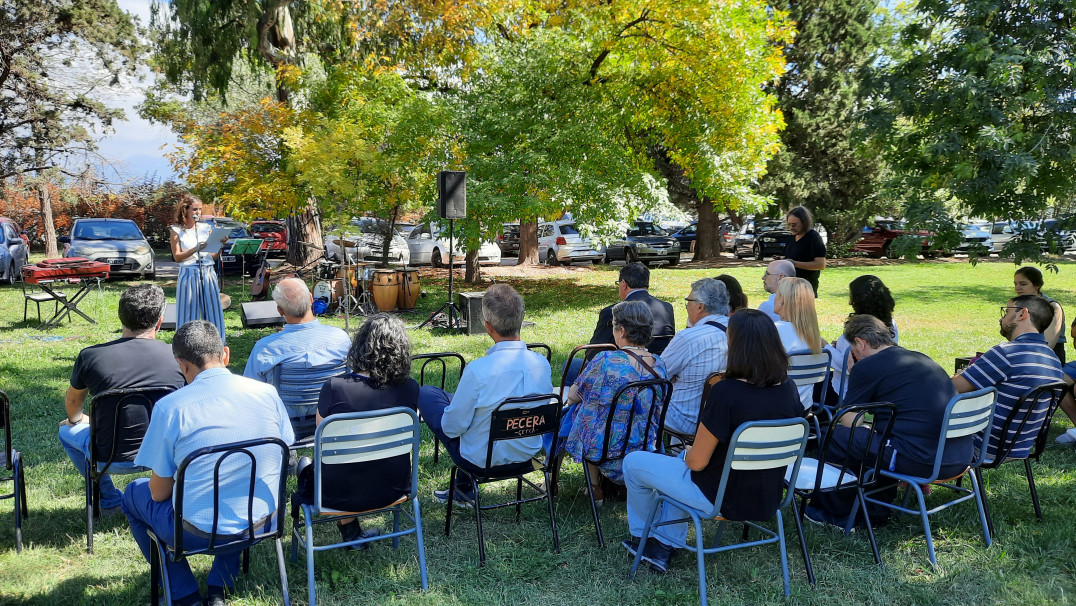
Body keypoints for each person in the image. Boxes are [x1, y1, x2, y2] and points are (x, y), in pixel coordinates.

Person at [121, 321, 294, 606]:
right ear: (225, 354)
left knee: (132, 495)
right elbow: (284, 451)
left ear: (182, 365)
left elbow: (158, 494)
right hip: (264, 520)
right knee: (234, 482)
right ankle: (219, 587)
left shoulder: (171, 407)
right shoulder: (267, 393)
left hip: (196, 533)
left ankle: (184, 594)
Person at [619, 310, 802, 573]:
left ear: (736, 346)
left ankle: (643, 538)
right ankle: (662, 547)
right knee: (681, 464)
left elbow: (696, 463)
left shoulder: (726, 392)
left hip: (719, 497)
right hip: (767, 496)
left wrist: (689, 454)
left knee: (635, 463)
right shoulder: (789, 388)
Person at [803, 315, 969, 530]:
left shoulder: (867, 366)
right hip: (958, 455)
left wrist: (855, 375)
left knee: (835, 436)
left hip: (921, 459)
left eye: (851, 349)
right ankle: (874, 506)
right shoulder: (920, 357)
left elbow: (850, 422)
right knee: (873, 438)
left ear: (860, 343)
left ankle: (835, 512)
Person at [418, 284, 554, 505]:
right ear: (521, 319)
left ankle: (464, 489)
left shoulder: (478, 370)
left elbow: (452, 428)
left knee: (427, 394)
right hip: (527, 455)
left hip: (483, 461)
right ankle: (463, 488)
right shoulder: (541, 363)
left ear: (488, 327)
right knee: (472, 411)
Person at [58, 284, 186, 516]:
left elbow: (73, 406)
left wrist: (77, 420)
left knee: (65, 431)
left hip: (108, 457)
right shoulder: (179, 358)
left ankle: (108, 500)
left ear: (120, 316)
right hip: (166, 456)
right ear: (160, 320)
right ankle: (171, 496)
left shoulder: (90, 356)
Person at [294, 313, 419, 547]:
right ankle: (352, 534)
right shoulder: (410, 388)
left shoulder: (335, 387)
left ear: (362, 345)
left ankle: (351, 533)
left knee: (307, 464)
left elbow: (323, 440)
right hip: (395, 486)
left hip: (335, 494)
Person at [562, 301, 668, 502]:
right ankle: (627, 487)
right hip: (646, 446)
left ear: (622, 331)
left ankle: (594, 488)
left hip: (606, 451)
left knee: (579, 410)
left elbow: (573, 395)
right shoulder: (659, 363)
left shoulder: (606, 360)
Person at [953, 294, 1064, 462]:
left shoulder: (1006, 353)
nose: (1001, 318)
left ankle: (915, 478)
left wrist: (958, 377)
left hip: (983, 446)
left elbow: (951, 388)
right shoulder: (1052, 360)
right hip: (1021, 447)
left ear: (1022, 314)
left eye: (1006, 312)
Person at [243, 277, 351, 438]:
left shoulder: (265, 349)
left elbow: (250, 394)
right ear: (310, 299)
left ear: (280, 310)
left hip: (285, 422)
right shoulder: (341, 339)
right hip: (332, 418)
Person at [660, 279, 730, 435]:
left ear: (700, 306)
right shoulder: (741, 330)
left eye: (688, 301)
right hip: (726, 420)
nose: (686, 306)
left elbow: (658, 374)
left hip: (686, 419)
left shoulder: (688, 337)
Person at [823, 275, 899, 402]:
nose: (850, 302)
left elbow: (846, 365)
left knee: (813, 387)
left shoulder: (857, 328)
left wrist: (825, 347)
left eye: (852, 297)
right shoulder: (891, 324)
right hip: (879, 386)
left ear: (861, 301)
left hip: (848, 389)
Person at [169, 193, 226, 341]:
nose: (198, 213)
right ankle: (185, 345)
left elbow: (212, 256)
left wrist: (219, 245)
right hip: (188, 273)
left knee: (213, 311)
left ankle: (217, 344)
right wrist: (195, 249)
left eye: (200, 209)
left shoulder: (207, 228)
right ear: (185, 210)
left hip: (207, 271)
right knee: (187, 313)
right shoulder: (176, 230)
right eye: (194, 209)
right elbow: (177, 257)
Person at [589, 262, 675, 355]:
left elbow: (593, 352)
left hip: (622, 366)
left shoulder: (612, 312)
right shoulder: (666, 308)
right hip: (660, 364)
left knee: (574, 364)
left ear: (623, 284)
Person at [773, 277, 823, 409]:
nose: (774, 298)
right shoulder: (814, 337)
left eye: (776, 294)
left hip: (776, 406)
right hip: (804, 407)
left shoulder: (773, 331)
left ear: (783, 300)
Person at [1013, 266, 1065, 363]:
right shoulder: (1018, 305)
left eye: (1023, 284)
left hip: (1048, 358)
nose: (1017, 288)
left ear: (1037, 285)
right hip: (1024, 354)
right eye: (1015, 284)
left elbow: (1049, 343)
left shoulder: (1052, 306)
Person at [782, 206, 826, 296]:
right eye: (789, 224)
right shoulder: (792, 238)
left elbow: (820, 265)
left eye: (794, 225)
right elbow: (790, 257)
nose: (791, 228)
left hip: (805, 288)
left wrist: (794, 263)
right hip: (789, 286)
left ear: (804, 222)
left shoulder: (813, 237)